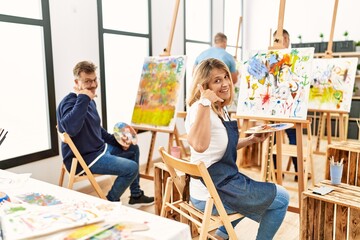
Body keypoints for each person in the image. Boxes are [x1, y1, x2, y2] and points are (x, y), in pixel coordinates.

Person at [185, 58, 289, 240]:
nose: (225, 83)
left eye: (226, 77)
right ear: (204, 86)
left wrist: (250, 140)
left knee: (258, 194)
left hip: (219, 183)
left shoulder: (219, 109)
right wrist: (204, 103)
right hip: (211, 195)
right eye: (217, 80)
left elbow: (220, 146)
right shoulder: (200, 109)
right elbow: (199, 146)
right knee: (281, 199)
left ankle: (220, 236)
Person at [57, 60, 154, 207]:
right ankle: (110, 201)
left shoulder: (89, 101)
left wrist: (117, 142)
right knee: (132, 168)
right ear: (77, 82)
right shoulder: (69, 102)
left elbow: (97, 130)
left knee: (133, 148)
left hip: (99, 150)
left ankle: (136, 195)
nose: (94, 85)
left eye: (95, 80)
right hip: (84, 159)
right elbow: (70, 129)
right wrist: (83, 98)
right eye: (87, 81)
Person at [272, 29, 299, 181]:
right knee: (292, 137)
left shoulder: (270, 59)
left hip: (278, 107)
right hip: (286, 108)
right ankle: (297, 174)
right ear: (287, 39)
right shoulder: (294, 59)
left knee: (275, 139)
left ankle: (277, 172)